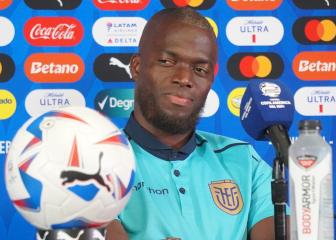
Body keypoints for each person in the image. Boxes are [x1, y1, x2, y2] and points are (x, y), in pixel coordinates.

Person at [106, 7, 276, 240]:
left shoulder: (246, 162)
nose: (185, 78)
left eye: (199, 69)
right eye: (167, 61)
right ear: (137, 67)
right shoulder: (96, 163)